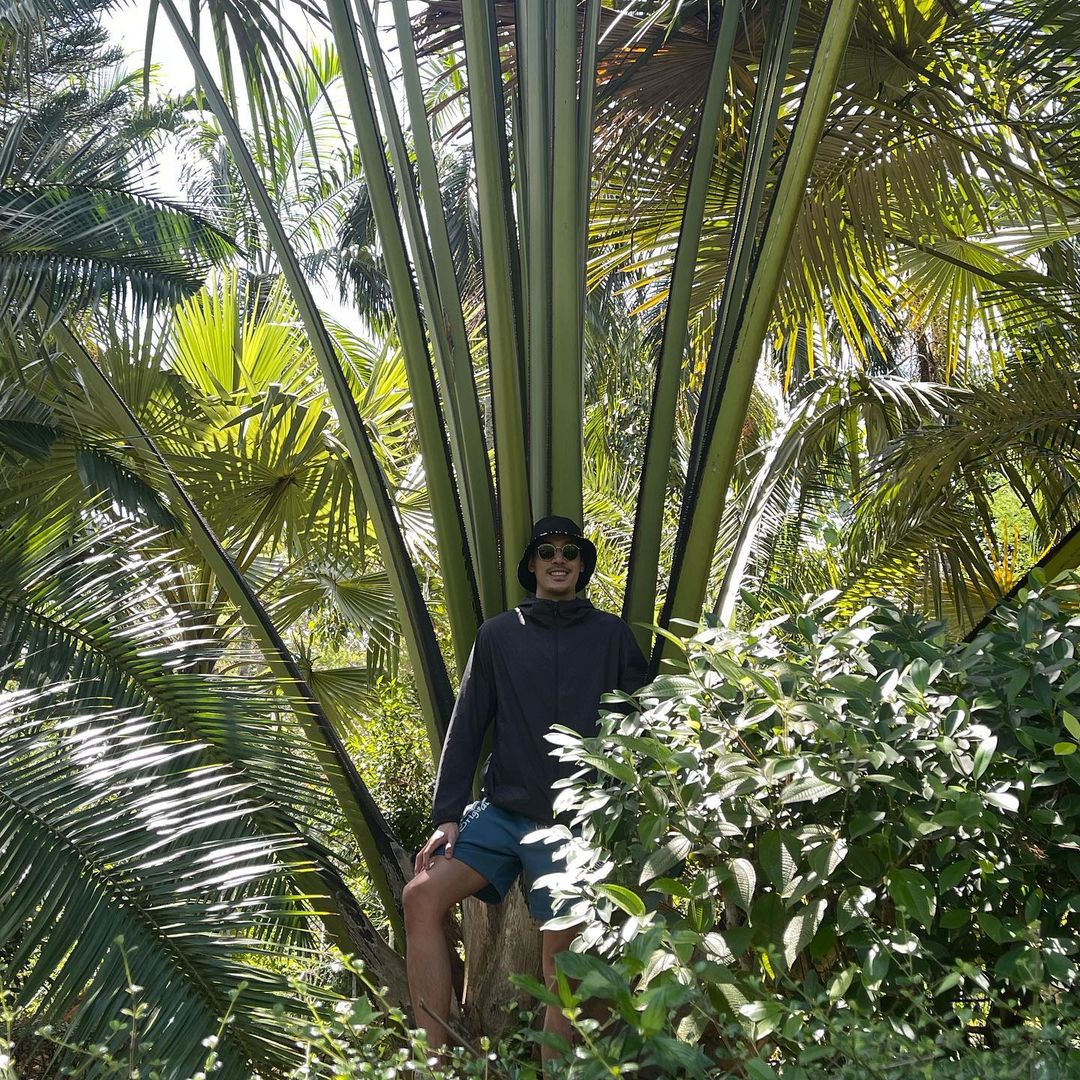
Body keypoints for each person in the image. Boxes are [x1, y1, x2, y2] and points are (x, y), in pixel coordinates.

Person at [402, 515, 647, 1059]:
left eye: (568, 552)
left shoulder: (612, 636)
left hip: (573, 824)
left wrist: (628, 814)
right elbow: (467, 725)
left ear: (582, 566)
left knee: (560, 959)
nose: (558, 560)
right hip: (502, 814)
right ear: (532, 566)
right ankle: (430, 1063)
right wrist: (446, 815)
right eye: (547, 552)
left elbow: (642, 724)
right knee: (420, 895)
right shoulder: (498, 635)